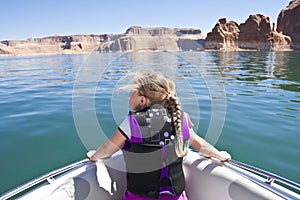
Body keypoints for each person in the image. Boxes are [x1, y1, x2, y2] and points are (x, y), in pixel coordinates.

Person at [86, 71, 231, 200]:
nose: (129, 96)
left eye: (132, 93)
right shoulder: (181, 118)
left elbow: (107, 149)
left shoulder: (132, 122)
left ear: (143, 100)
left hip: (139, 196)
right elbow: (200, 144)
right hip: (176, 196)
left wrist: (94, 156)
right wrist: (219, 155)